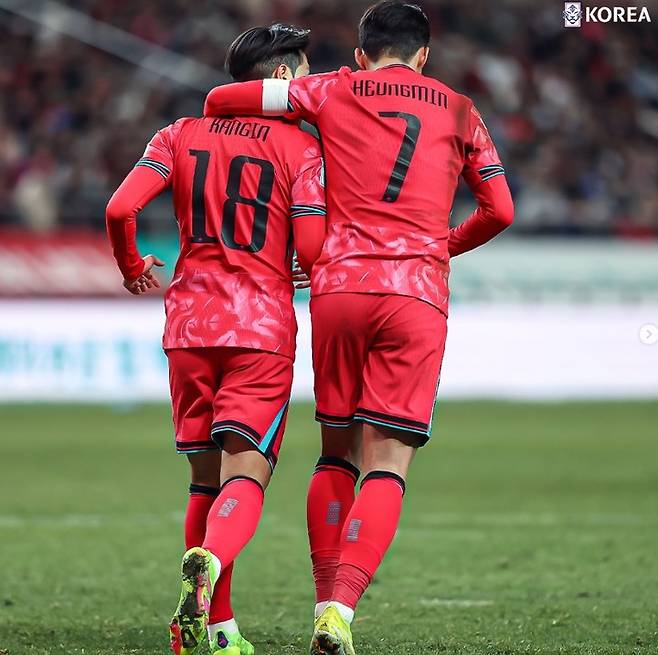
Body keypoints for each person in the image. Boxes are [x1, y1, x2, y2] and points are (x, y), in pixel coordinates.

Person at [202, 3, 514, 654]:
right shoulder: (458, 108)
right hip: (415, 292)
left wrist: (294, 99)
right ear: (424, 55)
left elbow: (221, 98)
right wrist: (439, 246)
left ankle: (320, 595)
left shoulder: (332, 87)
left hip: (339, 287)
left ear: (365, 52)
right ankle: (339, 610)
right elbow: (500, 209)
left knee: (335, 450)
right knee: (389, 461)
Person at [105, 24, 326, 655]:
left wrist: (130, 267)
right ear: (282, 78)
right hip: (258, 327)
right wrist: (303, 262)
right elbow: (309, 251)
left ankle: (215, 630)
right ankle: (209, 565)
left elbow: (120, 210)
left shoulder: (177, 134)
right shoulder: (300, 147)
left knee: (204, 482)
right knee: (244, 478)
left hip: (189, 324)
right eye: (305, 73)